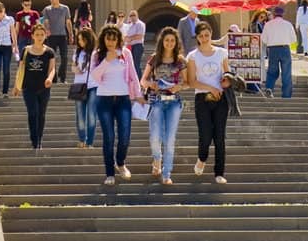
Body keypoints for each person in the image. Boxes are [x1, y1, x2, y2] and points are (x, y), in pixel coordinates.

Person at [89, 24, 145, 185]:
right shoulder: (97, 55)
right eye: (108, 39)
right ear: (103, 39)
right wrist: (107, 60)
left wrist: (138, 95)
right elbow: (94, 76)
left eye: (114, 39)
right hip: (104, 99)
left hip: (123, 99)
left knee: (125, 136)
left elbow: (133, 75)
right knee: (109, 137)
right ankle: (110, 173)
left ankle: (120, 162)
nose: (111, 42)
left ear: (118, 40)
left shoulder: (125, 53)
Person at [141, 26, 187, 184]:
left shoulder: (180, 61)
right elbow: (143, 80)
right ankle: (157, 159)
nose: (169, 43)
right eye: (167, 40)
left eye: (172, 40)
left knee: (170, 138)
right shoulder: (155, 58)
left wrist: (179, 87)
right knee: (155, 137)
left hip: (174, 102)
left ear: (176, 42)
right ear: (162, 41)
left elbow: (187, 82)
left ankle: (166, 173)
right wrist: (150, 84)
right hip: (157, 101)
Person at [185, 21, 230, 184]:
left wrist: (227, 81)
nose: (204, 38)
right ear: (197, 37)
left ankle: (219, 172)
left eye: (207, 35)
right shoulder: (192, 56)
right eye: (201, 36)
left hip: (220, 98)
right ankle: (201, 158)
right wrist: (211, 88)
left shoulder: (221, 53)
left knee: (219, 136)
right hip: (202, 98)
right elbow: (191, 81)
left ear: (211, 34)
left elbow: (227, 73)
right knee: (205, 135)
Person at [13, 21, 56, 150]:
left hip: (44, 88)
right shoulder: (26, 50)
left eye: (42, 34)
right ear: (32, 36)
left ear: (45, 36)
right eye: (37, 34)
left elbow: (52, 68)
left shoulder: (49, 52)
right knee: (33, 113)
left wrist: (49, 78)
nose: (39, 37)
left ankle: (39, 140)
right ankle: (34, 140)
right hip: (28, 88)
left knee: (41, 114)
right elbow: (21, 68)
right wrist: (16, 86)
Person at [70, 27, 98, 147]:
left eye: (82, 40)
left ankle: (89, 142)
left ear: (89, 39)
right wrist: (75, 69)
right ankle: (82, 139)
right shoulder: (77, 53)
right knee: (80, 115)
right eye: (79, 40)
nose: (80, 42)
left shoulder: (97, 53)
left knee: (91, 114)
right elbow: (73, 66)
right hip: (79, 85)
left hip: (94, 85)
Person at [261, 5, 297, 98]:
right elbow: (294, 39)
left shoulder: (268, 24)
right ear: (282, 14)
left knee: (272, 71)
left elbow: (263, 39)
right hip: (285, 49)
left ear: (274, 14)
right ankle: (286, 95)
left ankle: (269, 88)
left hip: (273, 49)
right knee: (286, 72)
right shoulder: (288, 24)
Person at [41, 0, 73, 82]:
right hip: (51, 36)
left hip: (62, 35)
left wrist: (71, 34)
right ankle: (53, 78)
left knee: (64, 57)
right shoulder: (47, 9)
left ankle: (62, 77)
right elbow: (46, 21)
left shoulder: (65, 8)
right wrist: (47, 30)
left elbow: (68, 21)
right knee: (52, 57)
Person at [0, 2, 17, 97]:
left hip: (7, 45)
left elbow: (13, 33)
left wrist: (15, 46)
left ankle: (5, 91)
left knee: (6, 69)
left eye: (0, 11)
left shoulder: (10, 20)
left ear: (4, 10)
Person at [122, 9, 147, 74]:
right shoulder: (129, 25)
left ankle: (139, 80)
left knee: (136, 64)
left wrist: (130, 38)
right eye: (131, 15)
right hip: (130, 46)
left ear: (137, 16)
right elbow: (126, 35)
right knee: (131, 64)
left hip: (137, 46)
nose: (132, 17)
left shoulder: (140, 24)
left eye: (134, 15)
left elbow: (140, 36)